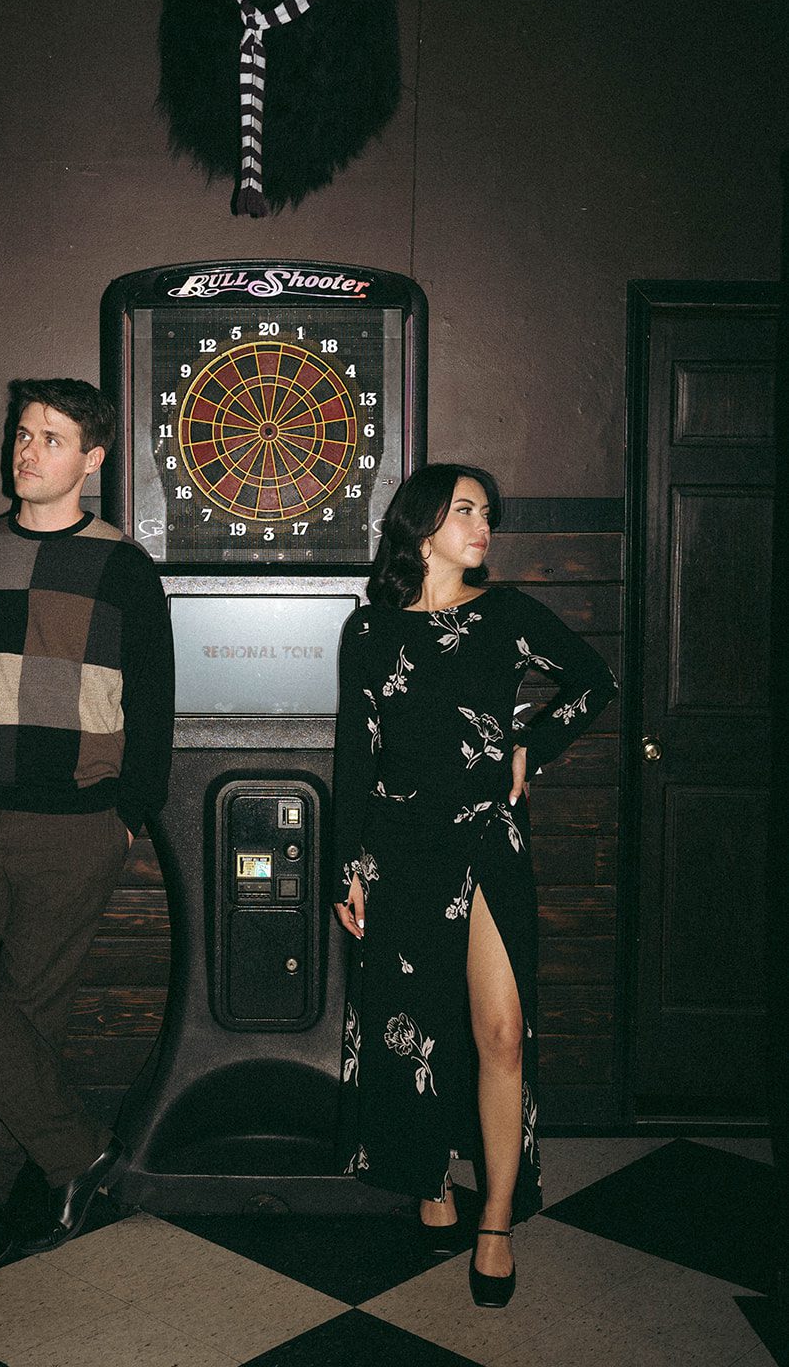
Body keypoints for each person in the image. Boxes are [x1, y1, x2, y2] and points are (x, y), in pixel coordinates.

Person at [332, 463, 616, 1307]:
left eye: (488, 513)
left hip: (488, 842)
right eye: (467, 511)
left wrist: (531, 743)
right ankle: (429, 1177)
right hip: (400, 848)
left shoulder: (507, 615)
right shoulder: (370, 631)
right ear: (422, 526)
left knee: (500, 1030)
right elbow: (356, 754)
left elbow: (594, 680)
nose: (483, 526)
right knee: (414, 1027)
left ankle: (495, 1218)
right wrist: (351, 868)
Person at [0, 377, 175, 1272]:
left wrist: (125, 818)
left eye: (51, 439)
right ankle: (79, 1152)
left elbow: (156, 706)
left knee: (33, 1011)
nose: (28, 452)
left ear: (92, 460)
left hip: (75, 827)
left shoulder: (126, 567)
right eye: (22, 434)